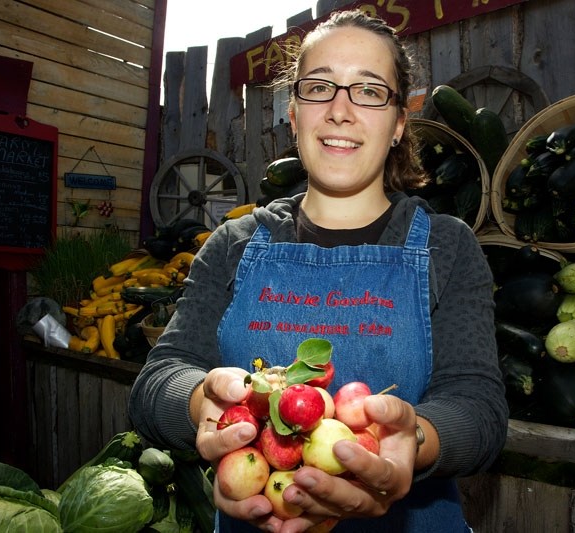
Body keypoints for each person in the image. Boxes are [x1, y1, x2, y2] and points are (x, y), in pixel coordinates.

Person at [129, 9, 508, 532]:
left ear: (399, 123)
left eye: (370, 91)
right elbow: (155, 384)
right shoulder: (233, 245)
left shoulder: (447, 247)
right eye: (319, 87)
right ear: (293, 111)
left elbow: (481, 409)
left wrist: (415, 439)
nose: (339, 110)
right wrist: (203, 402)